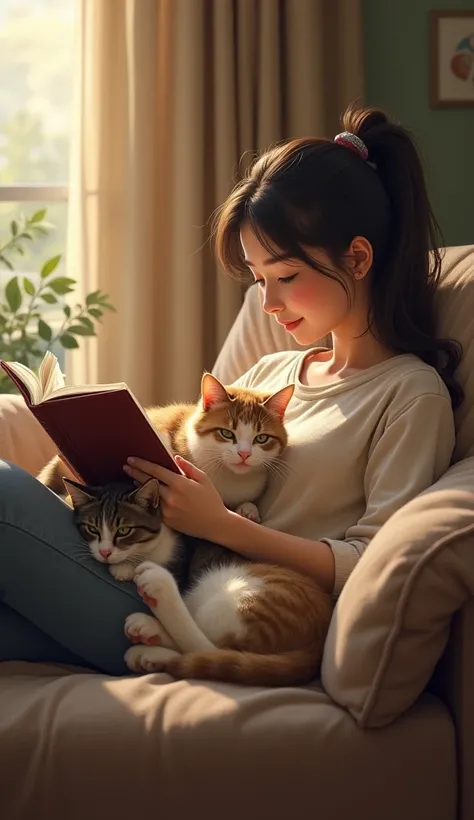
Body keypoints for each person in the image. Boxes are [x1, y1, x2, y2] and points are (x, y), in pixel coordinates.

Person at [0, 105, 462, 675]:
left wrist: (221, 525)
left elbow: (371, 563)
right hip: (144, 562)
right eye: (259, 278)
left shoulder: (409, 396)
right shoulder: (268, 373)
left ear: (358, 258)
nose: (266, 304)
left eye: (287, 277)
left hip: (207, 602)